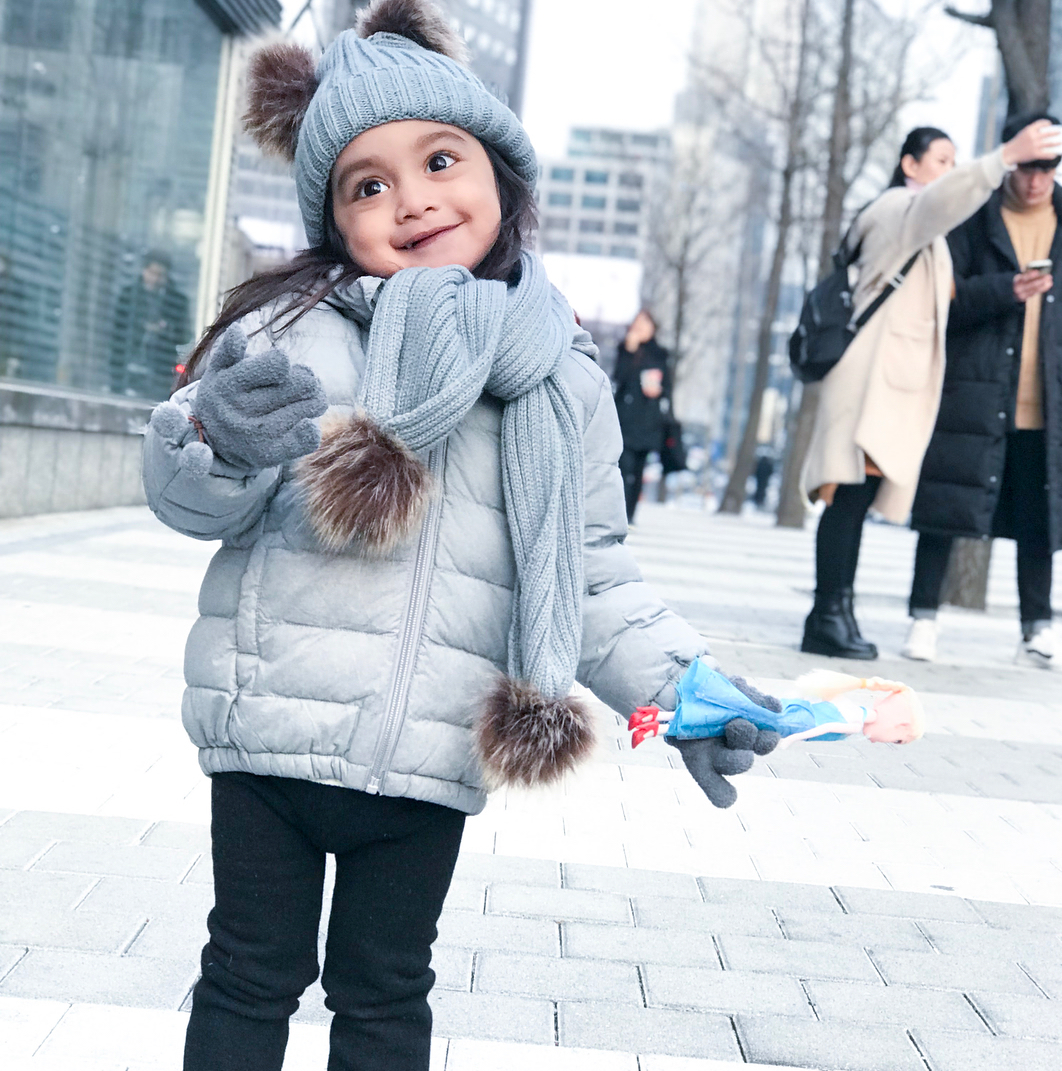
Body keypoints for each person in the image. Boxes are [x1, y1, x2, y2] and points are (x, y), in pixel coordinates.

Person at [139, 4, 775, 1069]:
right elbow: (196, 499)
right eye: (369, 184)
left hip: (429, 755)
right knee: (249, 972)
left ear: (503, 176)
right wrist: (214, 440)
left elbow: (593, 571)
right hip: (268, 733)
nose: (413, 198)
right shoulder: (290, 333)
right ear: (335, 219)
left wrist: (684, 686)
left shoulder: (565, 378)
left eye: (441, 159)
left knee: (385, 995)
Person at [799, 118, 1062, 660]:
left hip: (887, 383)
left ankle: (834, 612)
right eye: (942, 161)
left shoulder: (919, 224)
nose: (951, 172)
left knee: (854, 495)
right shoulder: (900, 210)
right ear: (911, 165)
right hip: (868, 380)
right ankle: (827, 614)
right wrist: (1004, 155)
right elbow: (941, 210)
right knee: (846, 496)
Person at [904, 111, 1062, 668]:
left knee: (1039, 515)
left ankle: (1036, 629)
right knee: (946, 504)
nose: (1037, 178)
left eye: (1049, 166)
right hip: (974, 388)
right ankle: (923, 618)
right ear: (1009, 158)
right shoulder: (974, 215)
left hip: (1046, 400)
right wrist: (1008, 290)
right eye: (1028, 165)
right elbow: (945, 297)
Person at [612, 308, 671, 522]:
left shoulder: (660, 355)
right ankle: (618, 513)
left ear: (653, 329)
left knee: (637, 472)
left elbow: (667, 387)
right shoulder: (625, 350)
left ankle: (630, 515)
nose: (640, 329)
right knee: (622, 468)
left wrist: (659, 390)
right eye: (637, 324)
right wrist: (629, 351)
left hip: (648, 422)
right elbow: (619, 378)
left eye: (645, 324)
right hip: (625, 420)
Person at [112, 250, 191, 398]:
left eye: (160, 275)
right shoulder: (128, 296)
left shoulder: (178, 302)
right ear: (144, 270)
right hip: (129, 367)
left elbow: (185, 334)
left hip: (160, 371)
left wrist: (166, 329)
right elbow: (117, 334)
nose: (155, 279)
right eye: (151, 272)